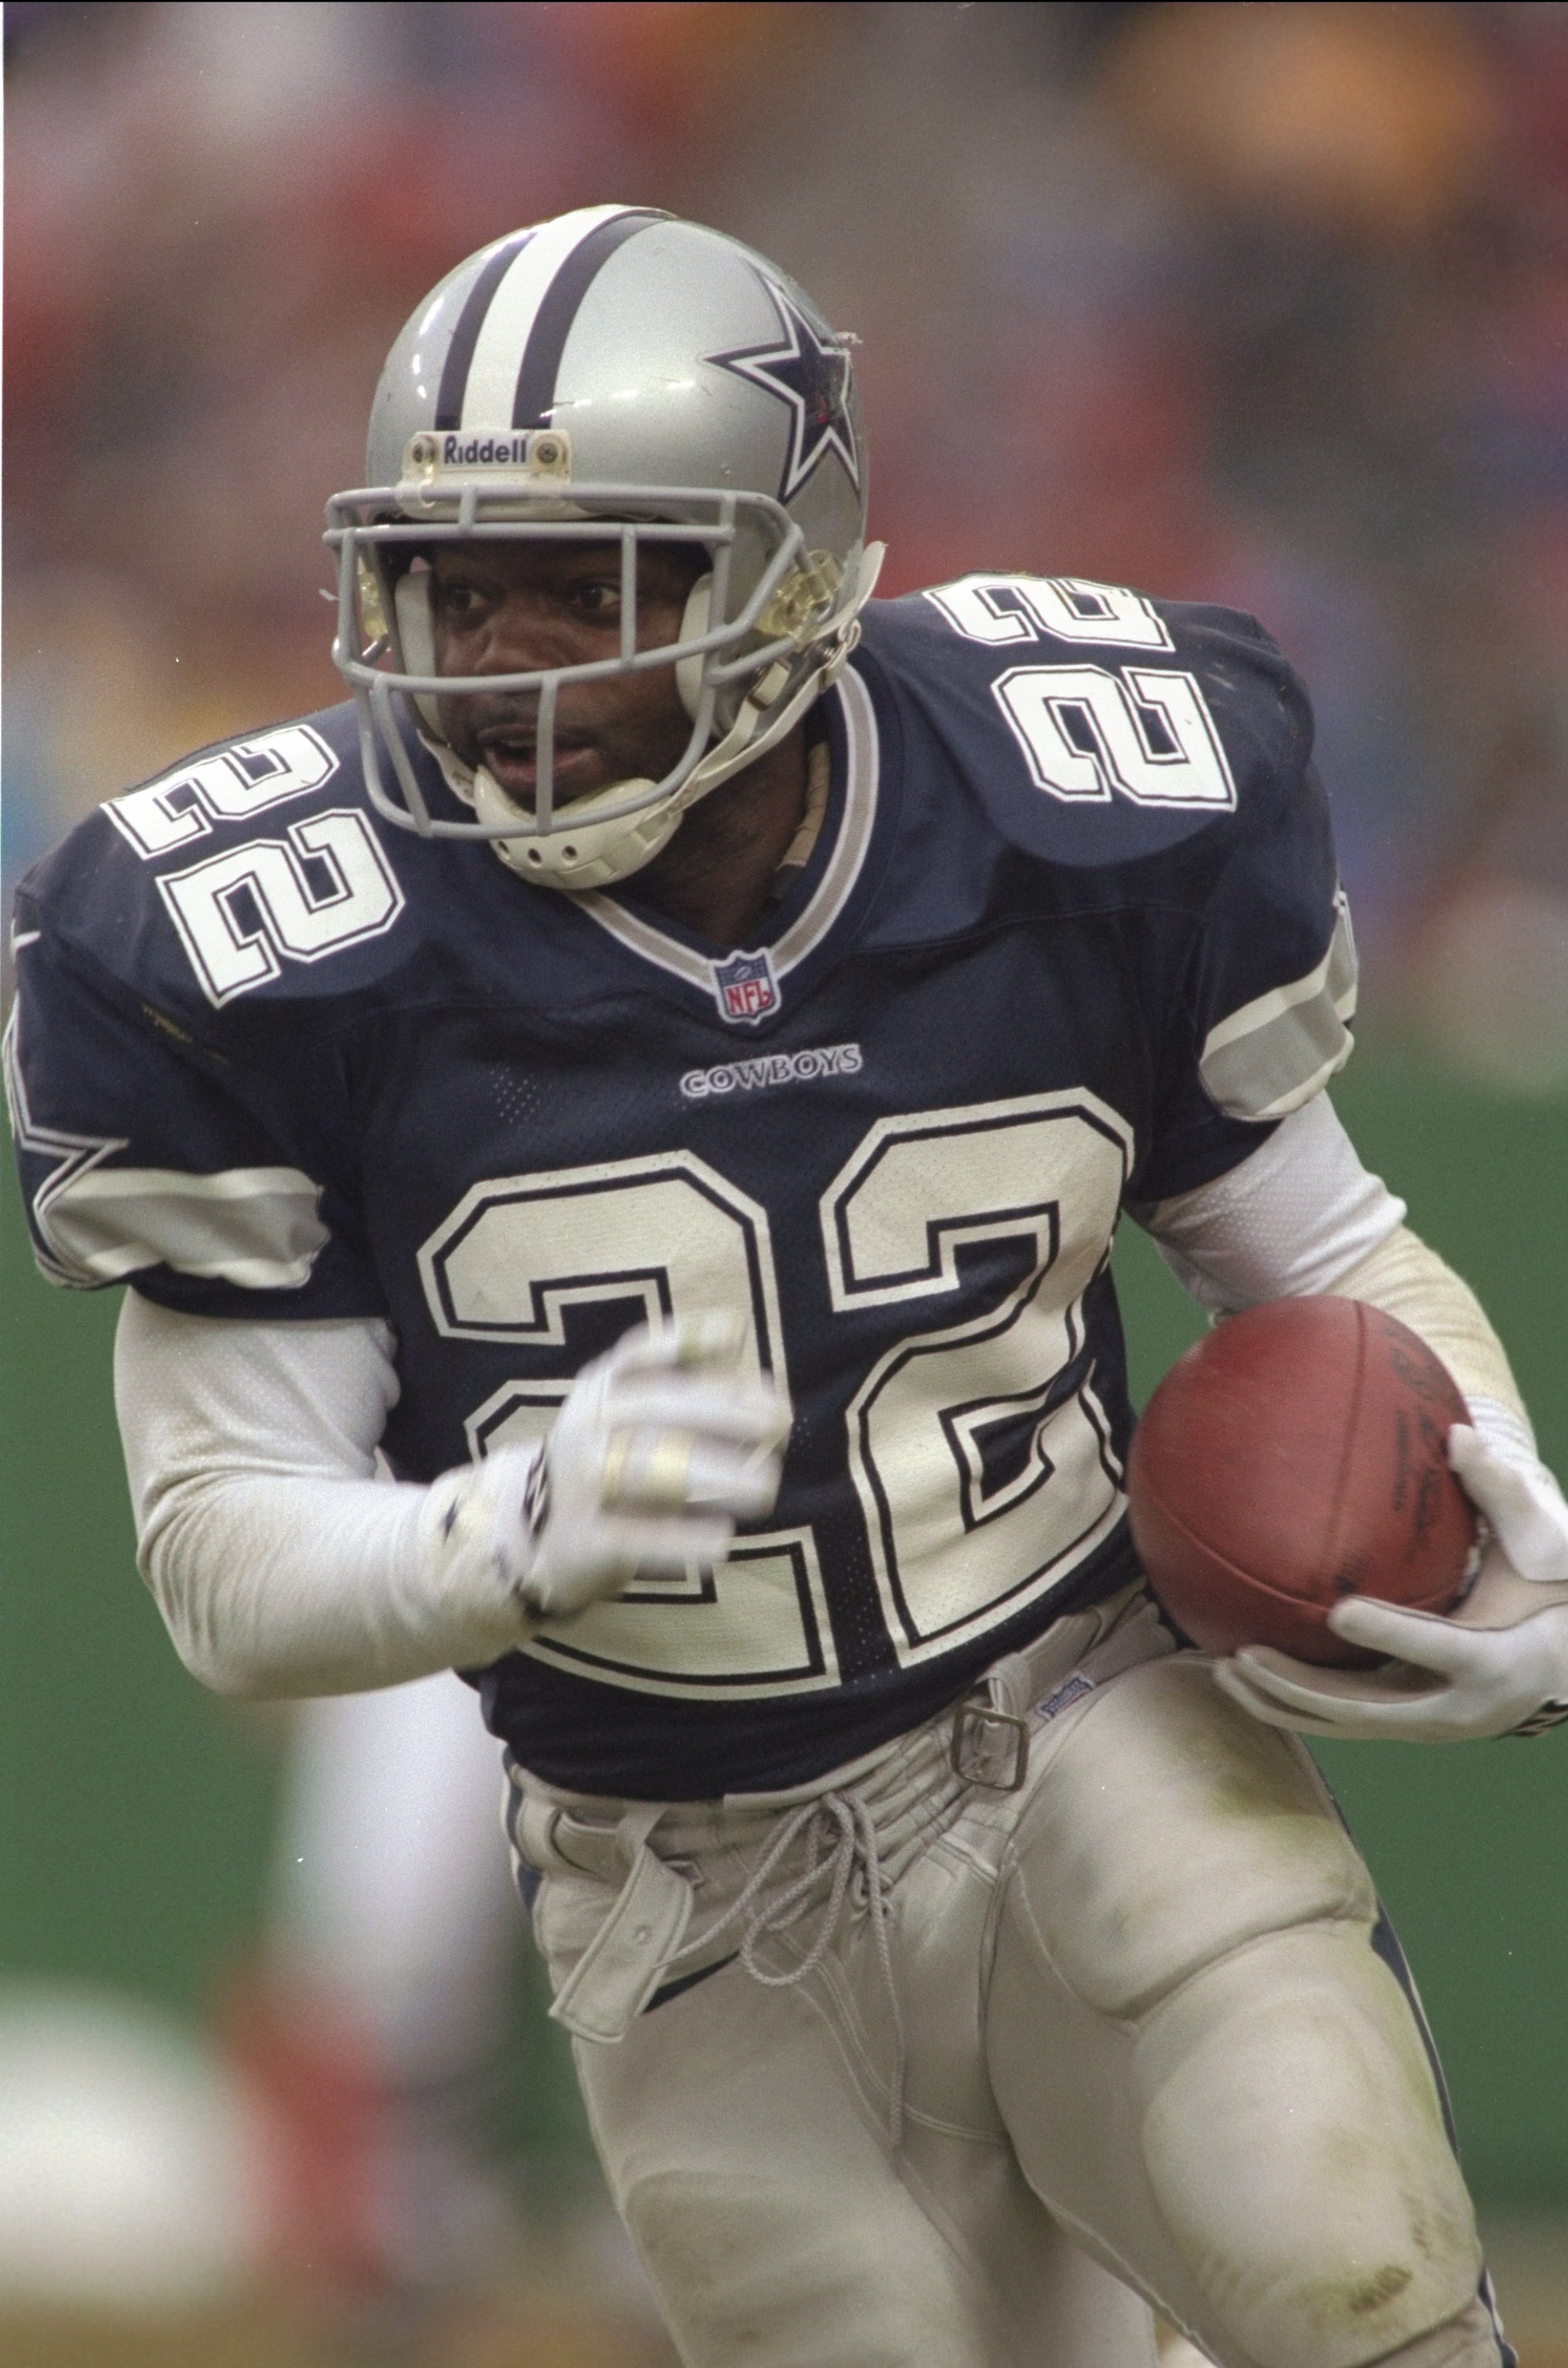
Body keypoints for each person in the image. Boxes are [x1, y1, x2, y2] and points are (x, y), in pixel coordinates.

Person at [9, 203, 1568, 2368]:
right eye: (452, 590)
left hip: (1092, 1722)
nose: (505, 665)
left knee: (1355, 2276)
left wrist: (1488, 1510)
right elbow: (217, 1560)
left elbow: (1312, 1251)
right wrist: (503, 1533)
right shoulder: (254, 948)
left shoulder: (1064, 792)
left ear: (796, 570)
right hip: (682, 1876)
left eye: (594, 585)